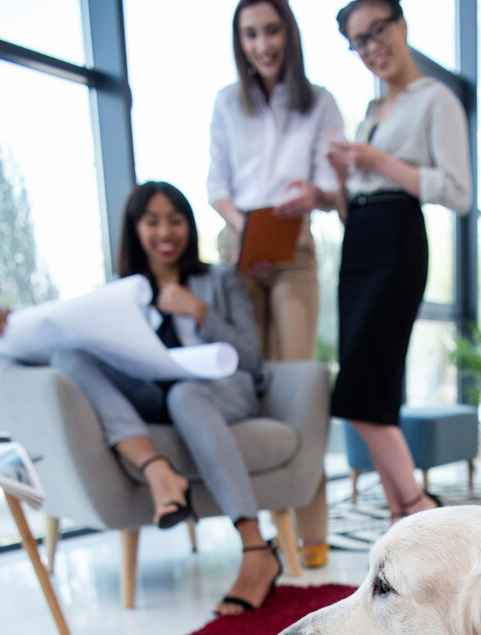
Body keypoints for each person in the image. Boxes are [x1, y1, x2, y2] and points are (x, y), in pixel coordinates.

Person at [50, 180, 281, 616]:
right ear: (135, 229)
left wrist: (200, 312)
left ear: (189, 227)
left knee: (186, 395)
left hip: (217, 393)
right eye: (152, 221)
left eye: (175, 220)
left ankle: (256, 550)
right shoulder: (119, 295)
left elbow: (251, 358)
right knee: (68, 354)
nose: (165, 231)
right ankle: (158, 471)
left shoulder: (220, 281)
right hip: (150, 394)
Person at [208, 0, 344, 567]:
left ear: (288, 33)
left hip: (295, 248)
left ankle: (312, 528)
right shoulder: (226, 103)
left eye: (271, 31)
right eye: (250, 34)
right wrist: (248, 232)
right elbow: (216, 184)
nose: (262, 44)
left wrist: (312, 198)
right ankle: (261, 531)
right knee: (250, 388)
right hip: (237, 248)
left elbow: (338, 192)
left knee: (300, 386)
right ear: (239, 41)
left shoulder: (321, 104)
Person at [329, 1, 472, 522]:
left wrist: (381, 163)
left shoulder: (437, 99)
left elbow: (459, 194)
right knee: (376, 390)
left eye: (377, 31)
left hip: (397, 240)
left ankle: (417, 507)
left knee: (358, 389)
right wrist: (340, 181)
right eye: (359, 42)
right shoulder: (369, 114)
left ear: (402, 24)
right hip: (359, 242)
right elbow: (353, 209)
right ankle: (400, 515)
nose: (371, 48)